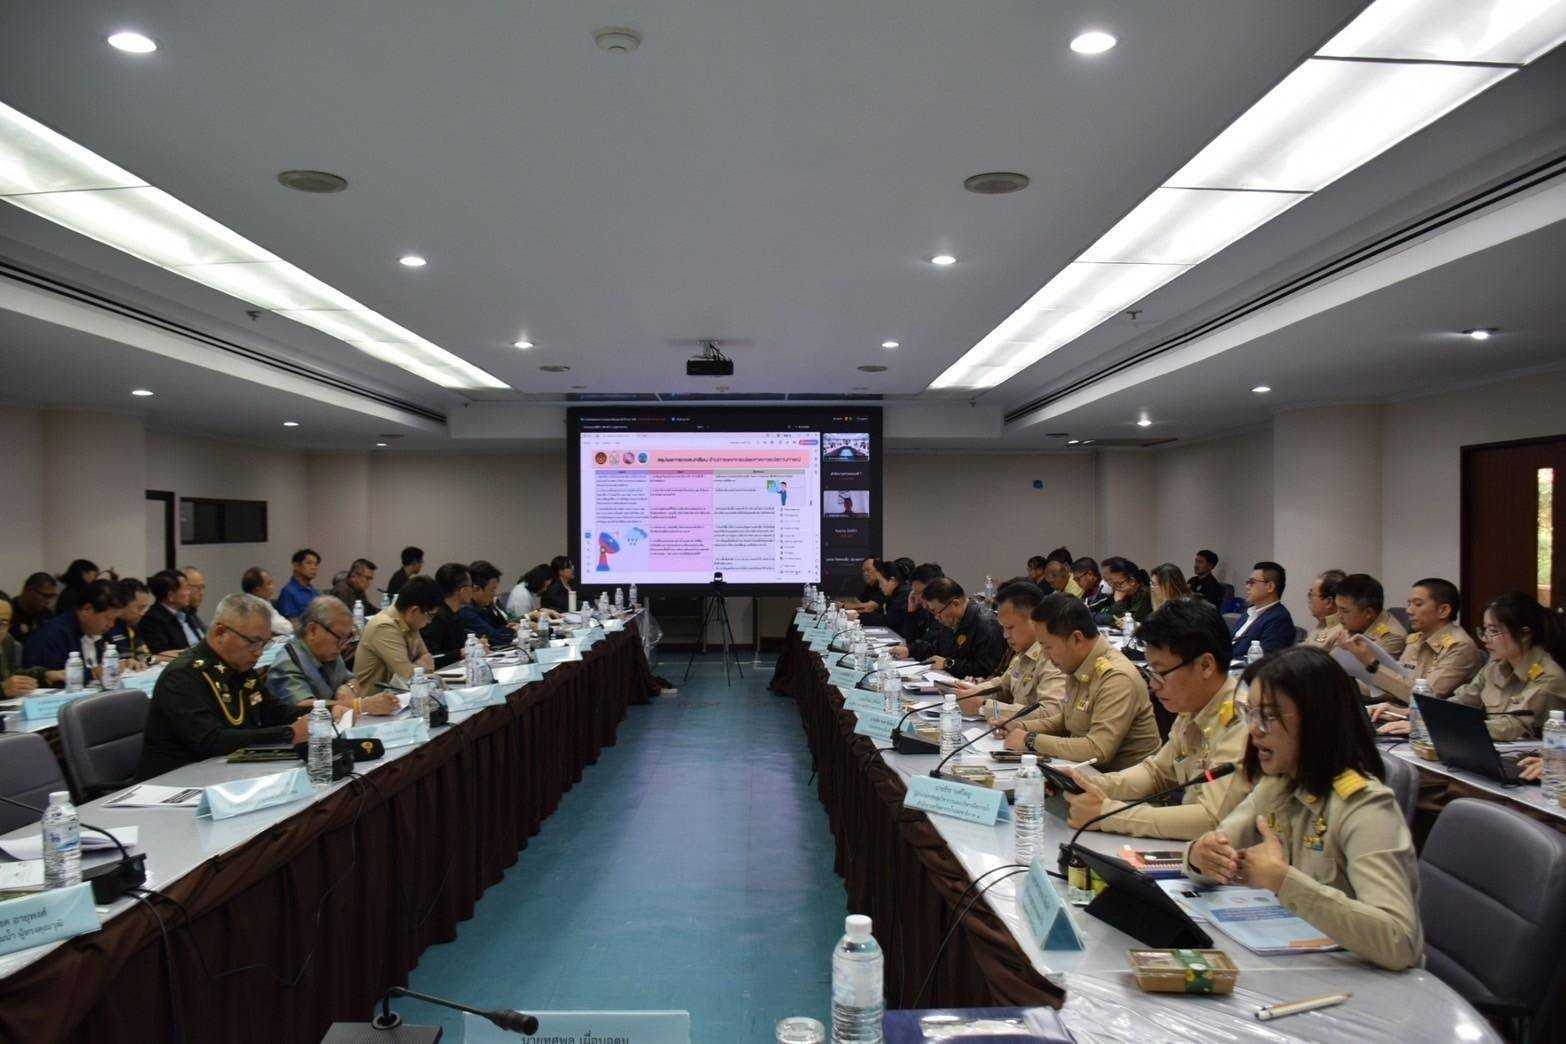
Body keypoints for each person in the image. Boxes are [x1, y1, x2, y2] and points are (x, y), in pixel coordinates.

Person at [1184, 646, 1423, 971]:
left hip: (1362, 983)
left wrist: (1283, 881)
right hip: (1299, 964)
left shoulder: (1365, 806)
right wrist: (1199, 856)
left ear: (1316, 719)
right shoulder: (1277, 784)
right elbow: (1219, 842)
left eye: (1268, 716)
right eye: (1249, 713)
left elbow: (1400, 941)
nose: (1253, 729)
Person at [1064, 599, 1249, 839]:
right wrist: (1089, 784)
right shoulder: (1194, 706)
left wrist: (1108, 814)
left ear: (1205, 665)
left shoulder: (1242, 721)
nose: (1153, 685)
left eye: (1161, 673)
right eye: (1150, 672)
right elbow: (1157, 772)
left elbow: (1212, 819)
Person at [136, 594, 327, 780]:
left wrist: (325, 711)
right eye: (254, 642)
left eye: (264, 643)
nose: (259, 652)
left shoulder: (239, 667)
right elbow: (211, 741)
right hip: (175, 781)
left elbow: (274, 712)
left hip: (226, 772)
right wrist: (289, 734)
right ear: (221, 633)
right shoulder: (182, 676)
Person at [1002, 594, 1162, 771]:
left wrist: (1031, 739)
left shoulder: (1116, 677)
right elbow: (1066, 720)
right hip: (1088, 776)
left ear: (1076, 638)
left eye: (1048, 647)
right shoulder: (1078, 664)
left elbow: (1098, 750)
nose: (1045, 656)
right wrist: (1022, 726)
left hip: (1120, 783)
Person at [1437, 592, 1566, 741]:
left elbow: (1513, 726)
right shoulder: (1494, 666)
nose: (1485, 639)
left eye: (1493, 631)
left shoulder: (1548, 676)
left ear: (1524, 634)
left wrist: (1456, 726)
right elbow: (1463, 700)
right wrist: (1434, 715)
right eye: (1484, 630)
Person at [1357, 579, 1483, 716]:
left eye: (1418, 604)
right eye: (1409, 604)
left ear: (1443, 610)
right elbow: (1397, 687)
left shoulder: (1459, 646)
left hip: (1435, 720)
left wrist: (1372, 665)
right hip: (1406, 713)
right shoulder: (1416, 639)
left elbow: (1423, 698)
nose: (1409, 611)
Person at [266, 597, 399, 715]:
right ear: (313, 630)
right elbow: (303, 707)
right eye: (340, 638)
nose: (343, 646)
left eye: (347, 638)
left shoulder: (328, 651)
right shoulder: (287, 663)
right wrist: (361, 705)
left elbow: (352, 680)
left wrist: (348, 687)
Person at [953, 581, 1066, 719]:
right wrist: (971, 691)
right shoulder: (1023, 653)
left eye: (1010, 627)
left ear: (1034, 620)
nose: (1005, 635)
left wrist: (983, 707)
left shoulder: (1052, 657)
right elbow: (1002, 685)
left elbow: (1051, 712)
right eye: (1003, 628)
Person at [355, 575, 440, 690]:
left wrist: (418, 667)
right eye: (430, 615)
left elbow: (427, 658)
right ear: (414, 610)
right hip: (375, 698)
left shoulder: (409, 622)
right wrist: (420, 667)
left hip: (400, 694)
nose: (429, 622)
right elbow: (408, 675)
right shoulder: (383, 627)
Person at [23, 579, 121, 674]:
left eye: (114, 620)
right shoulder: (53, 636)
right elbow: (54, 678)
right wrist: (93, 674)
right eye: (108, 618)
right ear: (87, 610)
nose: (111, 625)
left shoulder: (100, 633)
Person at [914, 577, 1005, 678]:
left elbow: (985, 670)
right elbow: (937, 649)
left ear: (955, 604)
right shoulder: (951, 620)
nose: (936, 617)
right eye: (932, 612)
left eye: (937, 612)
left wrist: (948, 663)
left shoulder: (986, 624)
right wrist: (910, 650)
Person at [1330, 573, 1407, 658]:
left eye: (1344, 611)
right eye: (1337, 608)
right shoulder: (1351, 623)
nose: (1338, 616)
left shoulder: (1391, 638)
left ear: (1368, 613)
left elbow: (1367, 666)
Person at [1228, 561, 1296, 656]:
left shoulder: (1279, 619)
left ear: (1270, 587)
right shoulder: (1249, 612)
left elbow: (1265, 660)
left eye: (1252, 582)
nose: (1247, 587)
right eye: (1248, 582)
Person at [0, 595, 62, 695]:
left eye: (2, 623)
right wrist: (2, 690)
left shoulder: (6, 641)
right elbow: (4, 686)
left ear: (9, 626)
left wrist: (44, 675)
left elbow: (11, 677)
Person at [890, 563, 948, 661]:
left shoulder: (946, 612)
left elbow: (928, 644)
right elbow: (911, 641)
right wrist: (911, 611)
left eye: (920, 593)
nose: (917, 599)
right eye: (915, 593)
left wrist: (910, 650)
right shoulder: (924, 610)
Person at [422, 563, 475, 666]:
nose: (472, 590)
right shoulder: (435, 618)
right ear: (463, 590)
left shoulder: (456, 613)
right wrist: (459, 653)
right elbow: (431, 657)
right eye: (471, 586)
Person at [141, 569, 196, 656]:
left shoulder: (187, 613)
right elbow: (164, 654)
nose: (189, 593)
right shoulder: (152, 620)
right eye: (186, 588)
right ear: (171, 596)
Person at [459, 560, 515, 643]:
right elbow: (494, 637)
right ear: (476, 589)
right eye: (492, 590)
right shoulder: (466, 611)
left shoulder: (484, 606)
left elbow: (499, 627)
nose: (495, 594)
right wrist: (513, 630)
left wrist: (509, 628)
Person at [105, 577, 153, 665]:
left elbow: (144, 659)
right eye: (140, 608)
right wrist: (125, 663)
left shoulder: (132, 626)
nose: (143, 613)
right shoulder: (106, 627)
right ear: (122, 604)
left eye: (145, 608)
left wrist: (158, 658)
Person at [859, 559, 911, 632]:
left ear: (892, 580)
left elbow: (887, 621)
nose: (880, 586)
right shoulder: (893, 593)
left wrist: (858, 617)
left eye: (881, 582)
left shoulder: (903, 595)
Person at [242, 567, 295, 636]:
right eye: (269, 584)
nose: (273, 586)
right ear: (257, 589)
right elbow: (281, 628)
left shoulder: (263, 601)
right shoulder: (256, 607)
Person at [9, 572, 58, 645]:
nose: (48, 601)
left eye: (51, 596)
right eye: (45, 595)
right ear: (29, 590)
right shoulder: (8, 612)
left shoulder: (47, 616)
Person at [1100, 557, 1153, 624]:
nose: (1115, 588)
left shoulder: (1146, 595)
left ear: (1132, 581)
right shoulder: (1125, 593)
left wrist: (1118, 602)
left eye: (1118, 584)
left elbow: (1129, 621)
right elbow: (1106, 616)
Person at [1304, 570, 1347, 646]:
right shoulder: (1324, 624)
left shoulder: (1341, 635)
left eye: (1311, 594)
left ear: (1328, 602)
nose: (1309, 599)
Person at [277, 549, 322, 620]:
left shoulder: (314, 591)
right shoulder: (288, 592)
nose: (314, 567)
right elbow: (291, 621)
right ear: (296, 566)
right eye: (309, 563)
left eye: (316, 564)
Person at [180, 566, 208, 641]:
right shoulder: (179, 618)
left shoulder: (192, 614)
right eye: (198, 588)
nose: (202, 593)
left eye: (203, 588)